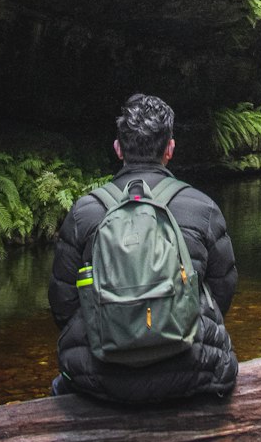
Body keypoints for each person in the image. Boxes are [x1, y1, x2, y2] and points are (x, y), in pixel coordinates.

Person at [49, 93, 238, 403]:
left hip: (100, 377)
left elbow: (63, 302)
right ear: (170, 149)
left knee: (62, 387)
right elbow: (223, 290)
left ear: (118, 149)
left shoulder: (85, 212)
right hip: (192, 370)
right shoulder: (202, 208)